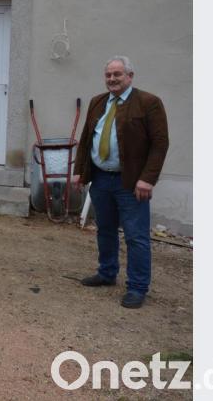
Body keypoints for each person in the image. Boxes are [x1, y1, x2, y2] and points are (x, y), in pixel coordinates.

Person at [71, 56, 168, 308]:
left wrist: (147, 179)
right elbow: (86, 139)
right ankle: (107, 273)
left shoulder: (148, 103)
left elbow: (160, 144)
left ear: (130, 76)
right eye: (108, 75)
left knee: (136, 237)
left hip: (131, 182)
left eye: (118, 74)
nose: (112, 79)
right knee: (105, 229)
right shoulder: (98, 102)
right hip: (101, 179)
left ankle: (137, 287)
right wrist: (79, 171)